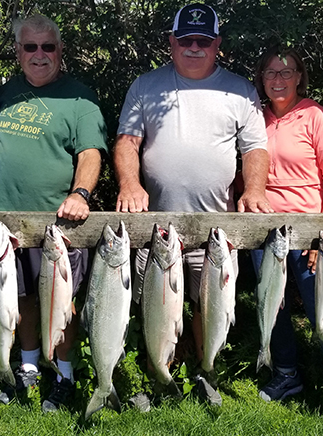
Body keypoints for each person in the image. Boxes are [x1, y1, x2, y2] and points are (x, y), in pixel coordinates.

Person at [114, 3, 272, 406]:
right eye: (186, 40)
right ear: (172, 42)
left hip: (214, 226)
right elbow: (127, 141)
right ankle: (156, 377)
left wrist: (253, 190)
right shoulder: (146, 85)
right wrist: (130, 184)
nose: (195, 48)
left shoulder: (239, 89)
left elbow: (254, 147)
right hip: (155, 227)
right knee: (154, 304)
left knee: (208, 304)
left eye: (203, 41)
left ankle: (207, 372)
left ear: (217, 43)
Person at [0, 14, 107, 412]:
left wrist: (81, 193)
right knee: (20, 300)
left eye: (48, 47)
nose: (40, 55)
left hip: (59, 224)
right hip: (4, 224)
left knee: (63, 302)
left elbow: (90, 152)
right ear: (18, 52)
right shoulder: (2, 95)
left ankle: (66, 375)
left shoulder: (79, 98)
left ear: (60, 51)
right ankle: (27, 369)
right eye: (30, 47)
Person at [251, 46, 323, 436]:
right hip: (263, 232)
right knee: (275, 308)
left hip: (308, 234)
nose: (278, 79)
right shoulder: (255, 117)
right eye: (270, 72)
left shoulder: (317, 116)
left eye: (287, 71)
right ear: (262, 78)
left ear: (300, 76)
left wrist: (322, 237)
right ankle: (287, 374)